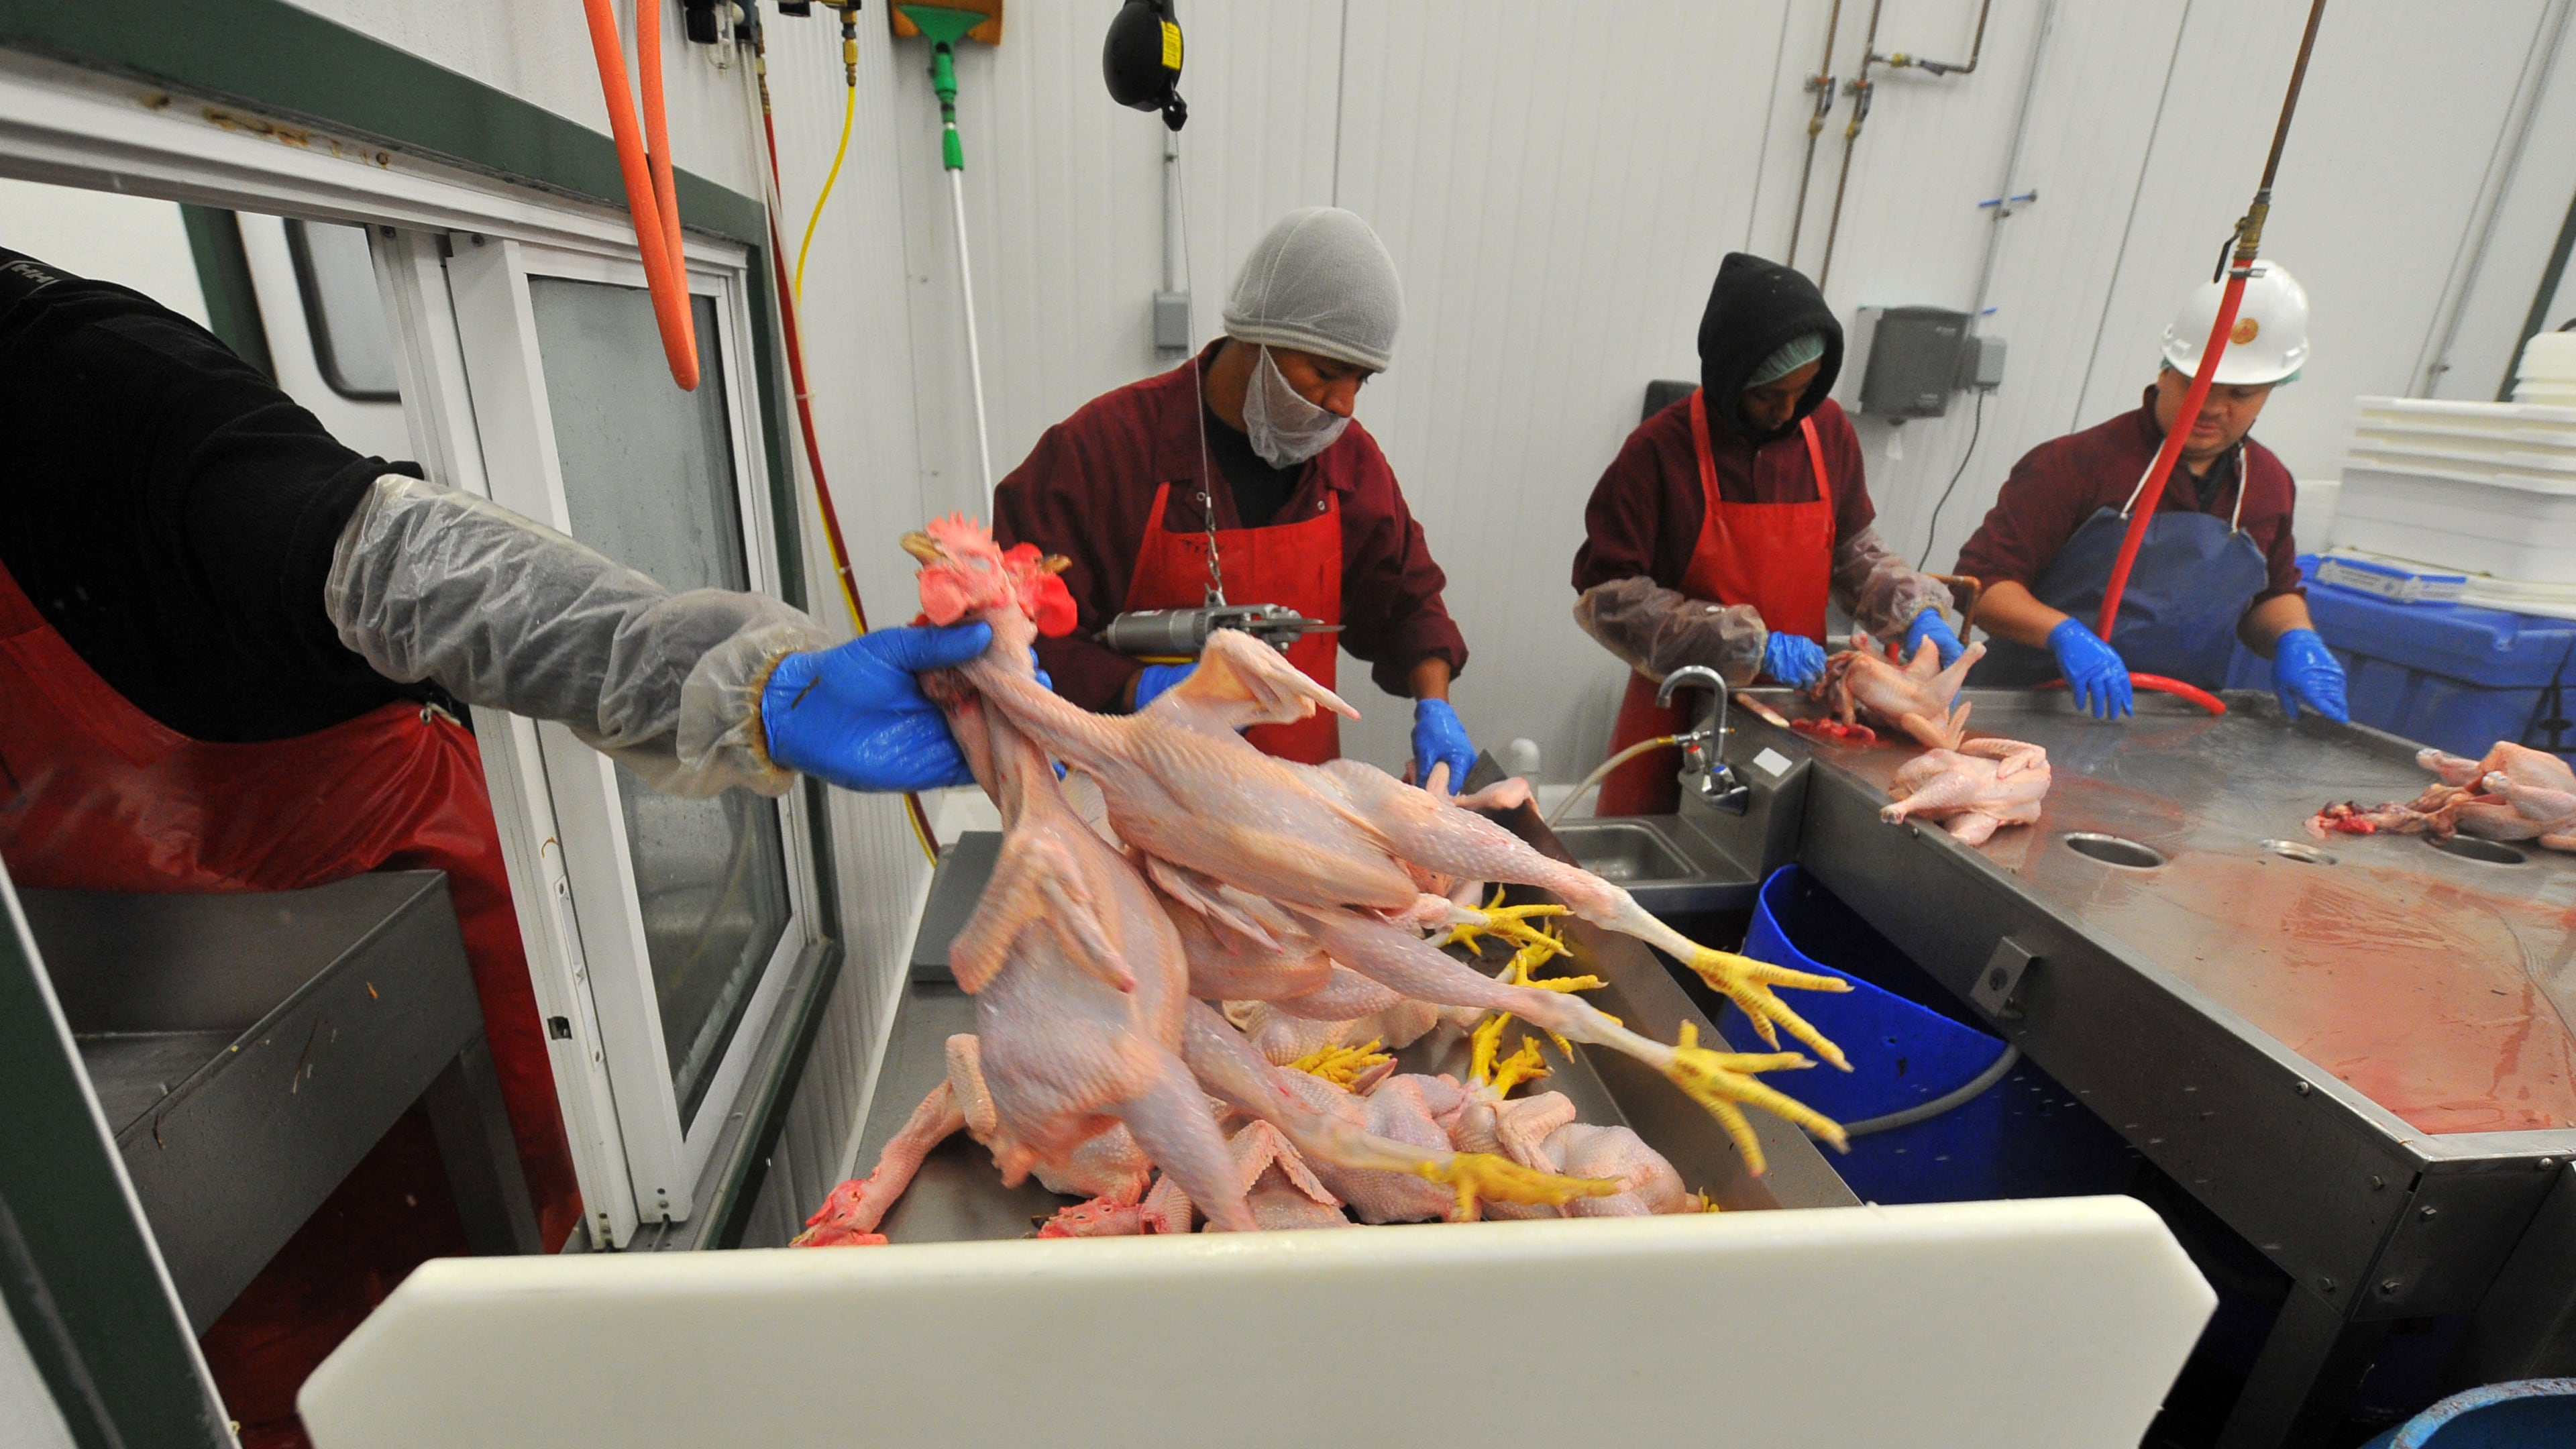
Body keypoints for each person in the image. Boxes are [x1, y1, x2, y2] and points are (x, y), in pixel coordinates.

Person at [0, 244, 983, 1447]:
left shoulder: (64, 375)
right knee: (292, 1389)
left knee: (553, 1321)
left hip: (418, 915)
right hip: (150, 1014)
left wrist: (737, 683)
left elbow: (396, 561)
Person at [994, 206, 1476, 786]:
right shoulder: (1102, 452)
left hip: (1298, 810)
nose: (1344, 404)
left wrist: (1435, 705)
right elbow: (1016, 630)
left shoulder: (1348, 461)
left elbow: (1407, 598)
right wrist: (1134, 688)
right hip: (1139, 807)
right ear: (1257, 338)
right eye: (1325, 372)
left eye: (1361, 380)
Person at [1571, 252, 1957, 815]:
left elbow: (1852, 552)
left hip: (1797, 714)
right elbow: (1609, 600)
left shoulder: (1827, 433)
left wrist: (1912, 608)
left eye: (1802, 393)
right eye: (1768, 396)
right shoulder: (1659, 451)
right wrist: (1749, 645)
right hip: (1681, 714)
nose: (1786, 412)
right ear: (1729, 377)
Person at [1954, 262, 2349, 722]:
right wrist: (2063, 633)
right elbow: (1983, 586)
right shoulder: (2074, 464)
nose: (2212, 408)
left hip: (2174, 724)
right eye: (2195, 384)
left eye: (2240, 394)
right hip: (2031, 709)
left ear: (2271, 391)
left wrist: (2296, 638)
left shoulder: (2268, 482)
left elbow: (2269, 597)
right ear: (2165, 371)